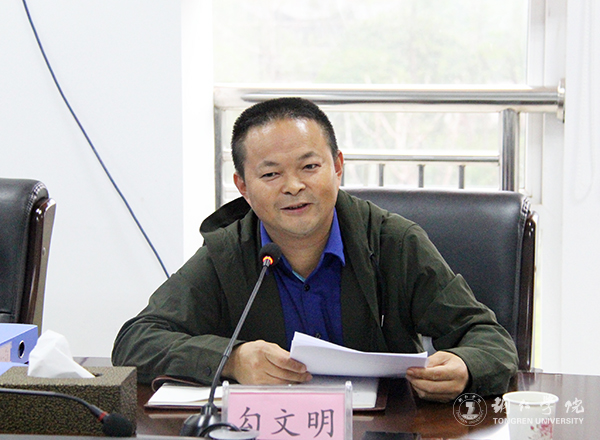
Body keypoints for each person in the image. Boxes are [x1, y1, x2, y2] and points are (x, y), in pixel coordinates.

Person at [112, 97, 518, 402]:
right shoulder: (227, 253)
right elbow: (135, 342)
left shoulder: (393, 242)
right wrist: (232, 359)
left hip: (380, 429)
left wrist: (465, 366)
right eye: (271, 174)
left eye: (309, 167)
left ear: (337, 166)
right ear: (243, 187)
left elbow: (489, 338)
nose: (293, 186)